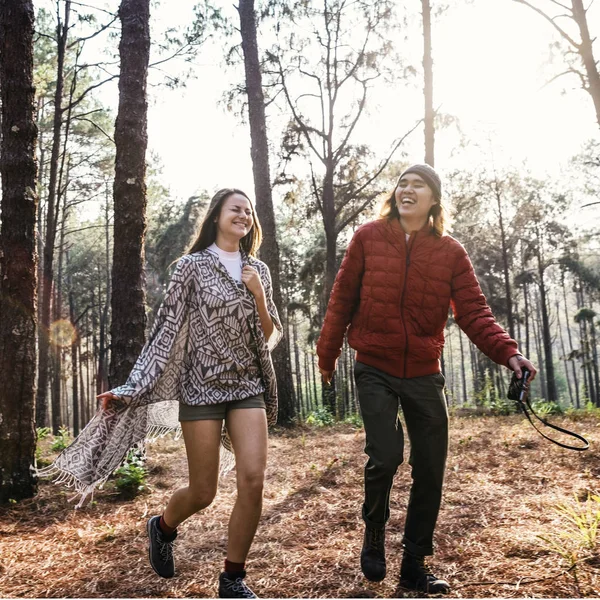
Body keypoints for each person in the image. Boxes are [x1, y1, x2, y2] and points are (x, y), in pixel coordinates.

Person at [316, 164, 536, 594]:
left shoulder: (450, 252)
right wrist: (328, 354)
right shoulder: (367, 238)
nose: (407, 189)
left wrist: (509, 353)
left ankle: (414, 562)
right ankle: (374, 532)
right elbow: (342, 298)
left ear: (434, 199)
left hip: (423, 370)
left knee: (431, 466)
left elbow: (474, 312)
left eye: (418, 185)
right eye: (403, 183)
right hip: (374, 366)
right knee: (385, 456)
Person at [93, 188, 281, 598]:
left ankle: (233, 578)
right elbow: (165, 331)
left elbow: (269, 336)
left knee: (253, 479)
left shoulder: (257, 270)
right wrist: (132, 387)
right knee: (203, 491)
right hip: (200, 389)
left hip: (247, 385)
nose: (244, 216)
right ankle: (162, 527)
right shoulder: (190, 267)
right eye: (236, 209)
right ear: (216, 216)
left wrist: (260, 297)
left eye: (249, 212)